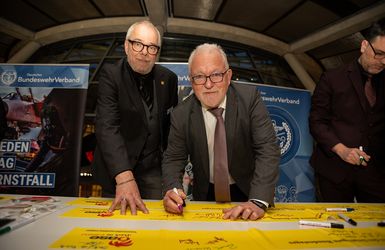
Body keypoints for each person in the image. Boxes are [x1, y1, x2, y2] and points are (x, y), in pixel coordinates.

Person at [162, 43, 280, 220]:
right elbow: (174, 158)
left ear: (228, 76)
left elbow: (267, 149)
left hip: (248, 191)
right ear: (191, 81)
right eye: (200, 77)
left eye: (216, 75)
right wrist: (172, 189)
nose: (208, 84)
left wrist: (257, 200)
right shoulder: (181, 114)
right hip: (205, 193)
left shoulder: (249, 100)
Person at [93, 20, 178, 215]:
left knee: (156, 225)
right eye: (138, 44)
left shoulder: (169, 79)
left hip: (153, 170)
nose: (144, 51)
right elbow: (107, 127)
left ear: (157, 51)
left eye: (151, 47)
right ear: (126, 45)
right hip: (117, 171)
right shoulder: (111, 75)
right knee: (117, 224)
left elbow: (170, 127)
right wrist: (124, 178)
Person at [309, 20, 385, 202]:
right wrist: (341, 150)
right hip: (335, 170)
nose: (384, 61)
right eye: (380, 54)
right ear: (364, 45)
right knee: (338, 227)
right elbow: (317, 121)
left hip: (376, 173)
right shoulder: (332, 78)